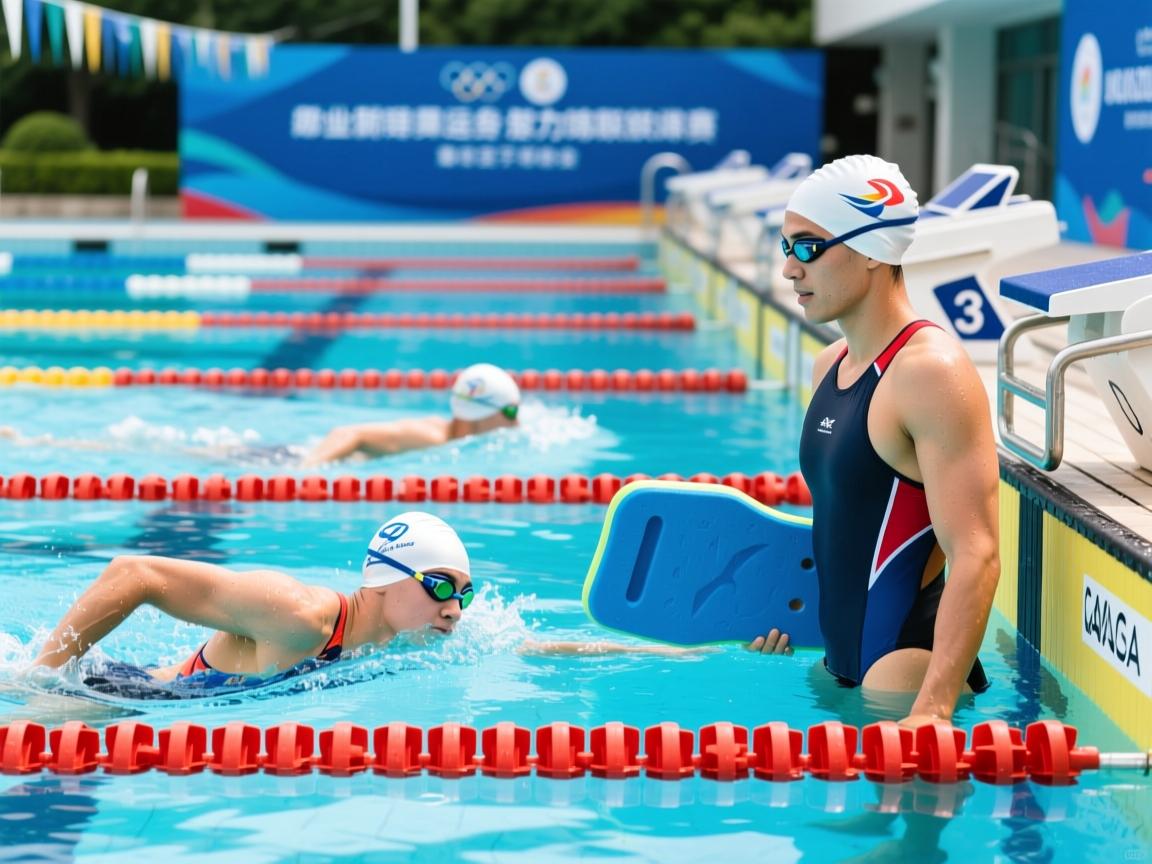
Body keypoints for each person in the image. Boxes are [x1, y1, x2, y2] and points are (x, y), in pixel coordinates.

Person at [750, 154, 1000, 730]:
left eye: (809, 248)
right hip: (838, 662)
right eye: (786, 248)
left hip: (906, 674)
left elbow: (977, 552)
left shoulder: (929, 373)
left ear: (870, 250)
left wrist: (933, 710)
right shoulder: (828, 365)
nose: (790, 270)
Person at [33, 511, 474, 686]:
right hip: (120, 695)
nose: (453, 609)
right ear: (384, 579)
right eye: (438, 585)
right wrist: (40, 678)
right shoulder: (297, 613)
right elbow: (134, 574)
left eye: (463, 594)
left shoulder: (403, 633)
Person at [303, 362, 521, 465]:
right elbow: (346, 433)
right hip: (289, 457)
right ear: (485, 413)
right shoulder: (430, 437)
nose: (517, 421)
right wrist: (305, 470)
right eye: (511, 411)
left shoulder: (450, 437)